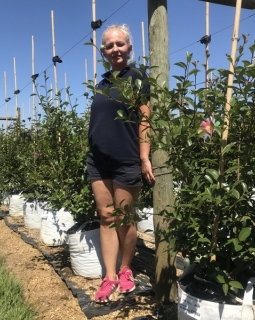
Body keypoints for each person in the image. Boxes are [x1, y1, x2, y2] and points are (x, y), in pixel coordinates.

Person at [86, 24, 155, 303]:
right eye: (108, 46)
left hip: (126, 160)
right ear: (102, 51)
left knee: (125, 219)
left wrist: (144, 157)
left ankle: (126, 269)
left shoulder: (137, 77)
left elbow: (145, 119)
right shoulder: (102, 82)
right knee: (106, 217)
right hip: (98, 161)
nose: (114, 49)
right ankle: (110, 276)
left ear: (129, 48)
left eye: (119, 44)